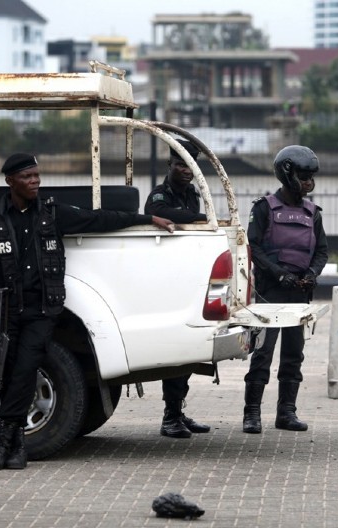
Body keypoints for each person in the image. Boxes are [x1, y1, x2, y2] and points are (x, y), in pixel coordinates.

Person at [0, 153, 174, 470]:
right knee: (9, 373)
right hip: (7, 312)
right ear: (10, 181)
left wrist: (146, 219)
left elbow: (99, 219)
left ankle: (2, 442)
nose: (35, 181)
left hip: (42, 311)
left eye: (37, 175)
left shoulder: (53, 214)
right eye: (27, 177)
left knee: (26, 369)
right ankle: (15, 446)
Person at [242, 145, 328, 434]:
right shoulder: (263, 208)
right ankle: (252, 414)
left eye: (311, 177)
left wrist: (312, 274)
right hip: (270, 294)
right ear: (288, 175)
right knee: (263, 352)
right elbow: (253, 247)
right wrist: (280, 275)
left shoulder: (312, 213)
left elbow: (322, 252)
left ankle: (286, 413)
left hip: (299, 294)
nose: (309, 183)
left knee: (293, 354)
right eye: (304, 177)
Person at [144, 139, 210, 439]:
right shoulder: (160, 194)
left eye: (190, 165)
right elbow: (163, 214)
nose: (186, 170)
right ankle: (170, 417)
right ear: (170, 165)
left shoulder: (193, 194)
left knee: (188, 352)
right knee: (175, 353)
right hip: (165, 279)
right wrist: (197, 218)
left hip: (188, 277)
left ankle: (177, 413)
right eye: (181, 164)